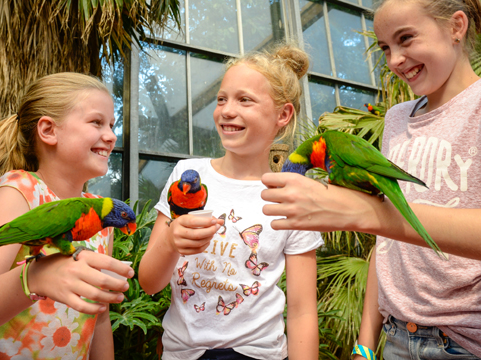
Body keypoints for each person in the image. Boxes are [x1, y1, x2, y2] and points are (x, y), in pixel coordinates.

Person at [262, 0, 481, 358]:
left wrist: (366, 212)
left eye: (406, 39)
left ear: (457, 27)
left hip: (462, 342)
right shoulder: (396, 119)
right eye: (384, 48)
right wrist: (366, 342)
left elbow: (383, 219)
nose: (394, 60)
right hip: (395, 336)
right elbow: (389, 245)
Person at [138, 44, 323, 360]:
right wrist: (169, 241)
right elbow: (149, 283)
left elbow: (303, 310)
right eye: (221, 98)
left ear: (283, 114)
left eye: (245, 100)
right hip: (182, 353)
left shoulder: (292, 195)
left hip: (255, 354)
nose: (226, 110)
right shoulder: (188, 174)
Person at [0, 73, 133, 360]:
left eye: (112, 124)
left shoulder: (100, 219)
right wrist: (34, 278)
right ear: (48, 130)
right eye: (97, 122)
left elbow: (101, 316)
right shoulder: (21, 192)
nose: (111, 135)